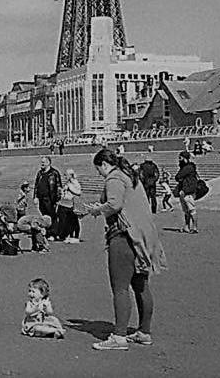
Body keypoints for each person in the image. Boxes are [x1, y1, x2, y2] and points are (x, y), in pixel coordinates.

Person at [86, 148, 166, 351]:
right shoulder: (130, 176)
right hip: (143, 237)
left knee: (120, 287)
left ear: (104, 165)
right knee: (141, 285)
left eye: (99, 170)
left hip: (124, 237)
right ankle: (144, 332)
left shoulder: (114, 178)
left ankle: (119, 336)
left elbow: (114, 204)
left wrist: (97, 209)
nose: (100, 174)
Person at [33, 157, 61, 238]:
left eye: (44, 162)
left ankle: (54, 233)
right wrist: (35, 197)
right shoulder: (40, 173)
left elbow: (59, 187)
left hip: (51, 199)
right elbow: (36, 186)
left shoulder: (54, 173)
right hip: (41, 198)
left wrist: (57, 199)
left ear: (48, 163)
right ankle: (47, 232)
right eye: (41, 162)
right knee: (44, 216)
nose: (42, 164)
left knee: (52, 216)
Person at [174, 151, 200, 234]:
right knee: (186, 211)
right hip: (186, 190)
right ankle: (187, 226)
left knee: (191, 209)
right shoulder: (188, 167)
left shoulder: (187, 167)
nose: (179, 159)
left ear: (184, 158)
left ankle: (194, 227)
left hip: (188, 190)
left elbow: (178, 176)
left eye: (180, 158)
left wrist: (180, 178)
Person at [56, 168, 81, 243]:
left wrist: (70, 189)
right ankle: (67, 235)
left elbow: (78, 192)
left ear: (70, 175)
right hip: (64, 203)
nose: (65, 176)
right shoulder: (67, 182)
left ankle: (75, 236)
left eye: (66, 175)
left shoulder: (75, 183)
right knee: (67, 221)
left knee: (74, 221)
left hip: (72, 204)